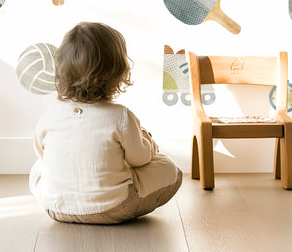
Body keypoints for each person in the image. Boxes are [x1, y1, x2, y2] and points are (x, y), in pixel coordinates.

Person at [29, 22, 182, 224]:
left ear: (62, 71)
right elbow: (141, 159)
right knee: (170, 168)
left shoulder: (49, 114)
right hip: (114, 207)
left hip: (55, 207)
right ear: (119, 72)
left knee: (38, 167)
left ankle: (67, 195)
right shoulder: (120, 116)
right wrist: (150, 143)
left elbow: (41, 153)